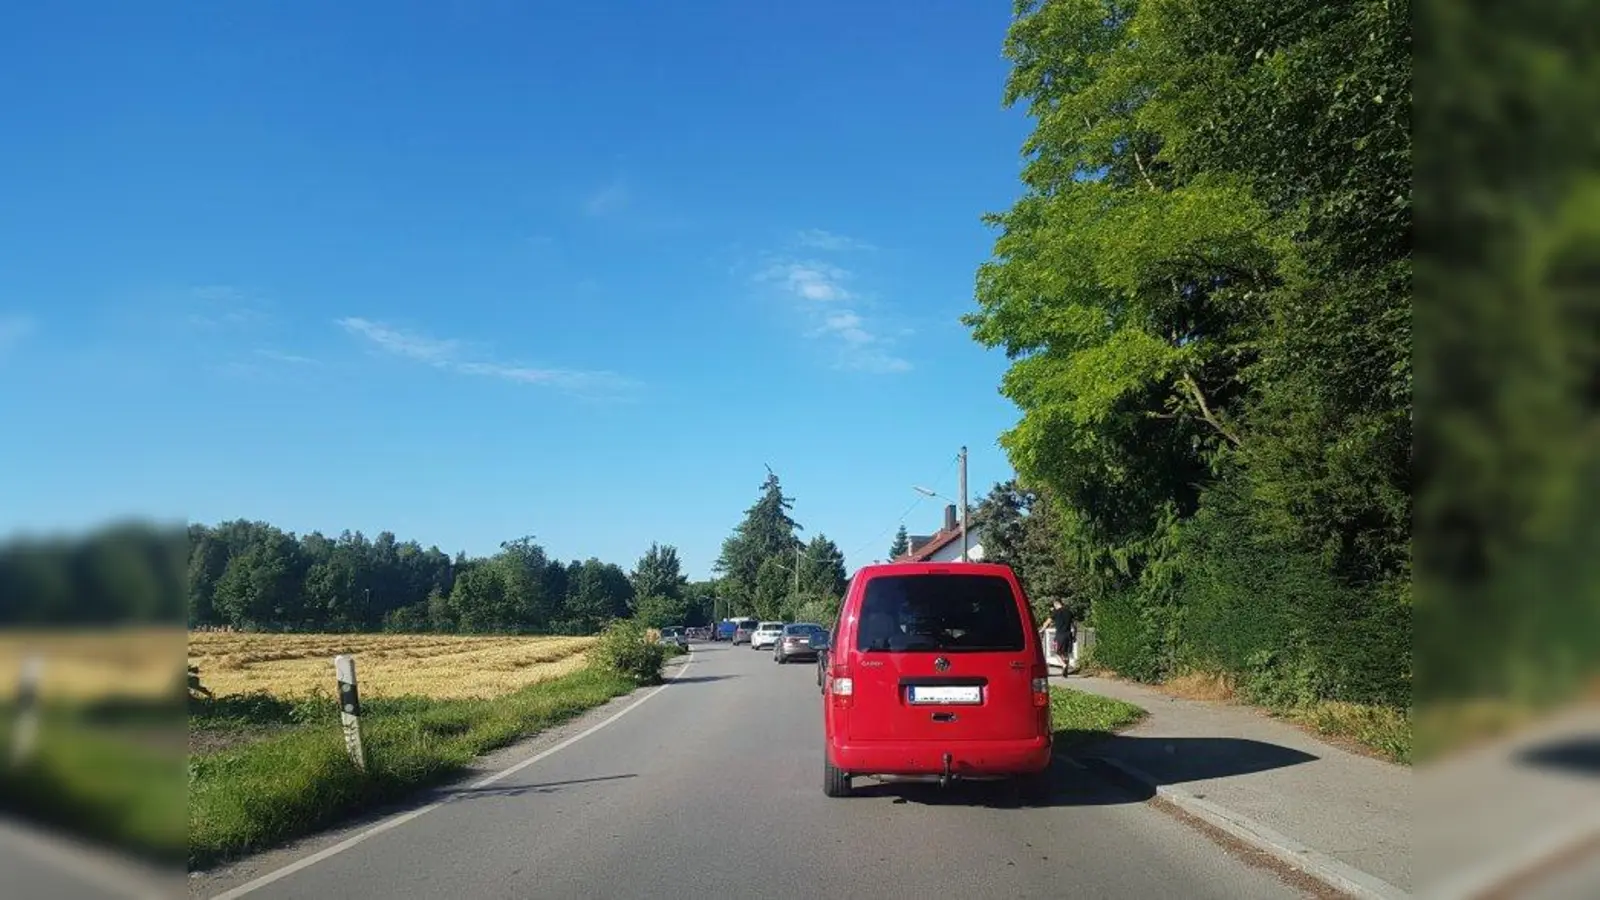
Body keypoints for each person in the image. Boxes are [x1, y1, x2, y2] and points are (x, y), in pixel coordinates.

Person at [1049, 599, 1075, 676]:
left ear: (1056, 604)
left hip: (1059, 635)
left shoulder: (1056, 612)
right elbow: (1074, 625)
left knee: (1056, 652)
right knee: (1066, 653)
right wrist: (1074, 636)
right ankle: (1065, 669)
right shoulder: (1069, 612)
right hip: (1068, 635)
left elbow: (1048, 621)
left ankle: (1063, 665)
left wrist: (1042, 630)